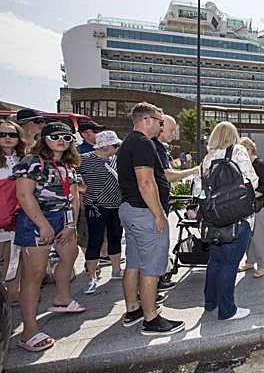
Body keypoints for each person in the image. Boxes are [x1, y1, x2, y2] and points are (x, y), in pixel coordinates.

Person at [13, 122, 84, 352]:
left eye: (66, 137)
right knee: (34, 275)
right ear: (44, 139)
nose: (61, 140)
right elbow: (24, 195)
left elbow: (74, 197)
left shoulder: (69, 164)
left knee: (70, 255)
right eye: (55, 137)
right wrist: (42, 224)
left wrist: (71, 225)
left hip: (64, 219)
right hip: (35, 221)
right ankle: (29, 331)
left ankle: (62, 298)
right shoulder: (31, 161)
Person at [116, 102, 184, 336]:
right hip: (144, 213)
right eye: (160, 121)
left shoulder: (128, 142)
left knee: (133, 263)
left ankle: (133, 309)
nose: (161, 126)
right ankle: (151, 318)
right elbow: (145, 182)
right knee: (152, 268)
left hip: (130, 209)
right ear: (146, 120)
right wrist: (158, 214)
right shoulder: (144, 143)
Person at [202, 122, 258, 320]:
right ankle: (227, 310)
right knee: (230, 264)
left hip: (214, 218)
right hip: (237, 217)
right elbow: (252, 181)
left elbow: (200, 189)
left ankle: (210, 303)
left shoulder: (208, 158)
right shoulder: (238, 151)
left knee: (215, 261)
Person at [153, 114, 199, 291]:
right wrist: (193, 170)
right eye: (171, 130)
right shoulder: (156, 148)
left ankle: (156, 281)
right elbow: (167, 175)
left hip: (161, 202)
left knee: (159, 245)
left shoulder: (161, 148)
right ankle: (154, 284)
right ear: (161, 128)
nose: (174, 134)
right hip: (155, 207)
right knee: (157, 246)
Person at [78, 130, 124, 294]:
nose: (117, 148)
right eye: (115, 145)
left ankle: (116, 270)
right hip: (95, 206)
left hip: (116, 206)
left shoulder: (116, 159)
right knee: (95, 240)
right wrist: (81, 188)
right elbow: (72, 175)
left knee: (115, 238)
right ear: (105, 146)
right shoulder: (85, 159)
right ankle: (91, 277)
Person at [0, 120, 27, 305]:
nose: (7, 138)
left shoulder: (24, 159)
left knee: (15, 256)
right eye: (2, 134)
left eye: (12, 134)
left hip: (18, 215)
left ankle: (12, 294)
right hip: (2, 213)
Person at [238, 137, 264, 278]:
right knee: (248, 236)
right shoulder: (245, 165)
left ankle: (262, 265)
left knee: (258, 236)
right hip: (248, 206)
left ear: (249, 150)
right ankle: (250, 261)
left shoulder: (261, 165)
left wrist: (250, 196)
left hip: (261, 206)